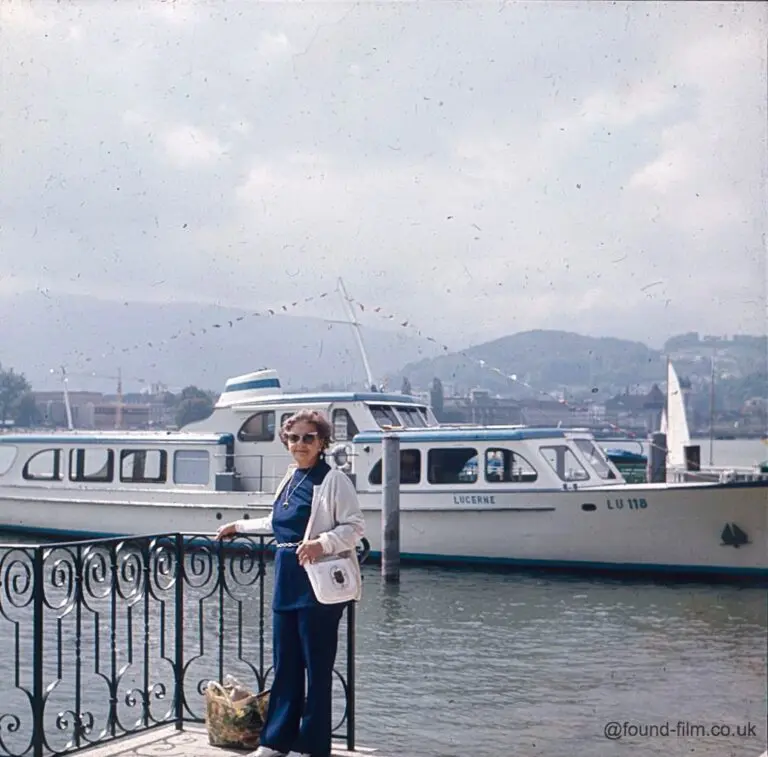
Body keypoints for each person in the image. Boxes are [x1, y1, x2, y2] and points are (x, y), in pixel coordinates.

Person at [215, 409, 365, 757]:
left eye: (308, 437)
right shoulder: (290, 477)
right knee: (286, 664)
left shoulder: (333, 480)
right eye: (294, 437)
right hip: (287, 579)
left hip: (319, 585)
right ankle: (275, 741)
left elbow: (355, 527)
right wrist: (238, 526)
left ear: (322, 442)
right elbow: (277, 522)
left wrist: (320, 544)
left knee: (317, 666)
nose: (300, 444)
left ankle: (310, 746)